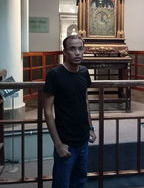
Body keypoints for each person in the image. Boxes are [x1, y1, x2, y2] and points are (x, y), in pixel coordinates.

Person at [44, 34, 96, 188]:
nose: (77, 53)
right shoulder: (55, 74)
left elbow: (84, 101)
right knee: (62, 183)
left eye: (80, 49)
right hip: (66, 141)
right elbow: (48, 111)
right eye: (72, 49)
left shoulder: (84, 72)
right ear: (64, 52)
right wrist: (58, 144)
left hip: (83, 139)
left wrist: (91, 128)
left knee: (80, 181)